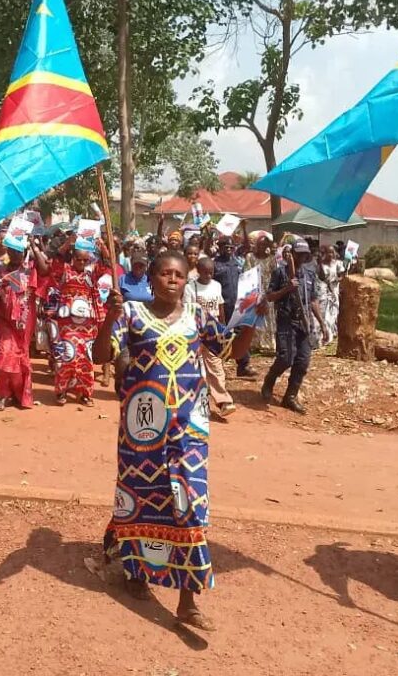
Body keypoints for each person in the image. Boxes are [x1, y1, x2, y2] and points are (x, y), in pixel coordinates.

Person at [92, 249, 261, 632]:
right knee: (141, 497)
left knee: (190, 505)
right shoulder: (132, 314)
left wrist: (254, 319)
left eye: (179, 276)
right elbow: (99, 354)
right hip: (141, 431)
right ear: (151, 278)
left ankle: (188, 600)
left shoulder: (198, 316)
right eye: (165, 274)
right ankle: (135, 568)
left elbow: (230, 350)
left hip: (188, 432)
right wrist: (110, 318)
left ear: (187, 282)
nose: (172, 280)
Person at [34, 234, 111, 406]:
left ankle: (85, 393)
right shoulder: (65, 271)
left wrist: (103, 246)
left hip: (87, 324)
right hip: (68, 323)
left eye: (85, 260)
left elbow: (106, 264)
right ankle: (61, 391)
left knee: (86, 358)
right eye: (79, 259)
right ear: (73, 258)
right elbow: (57, 260)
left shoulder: (91, 274)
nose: (82, 263)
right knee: (67, 356)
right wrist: (68, 242)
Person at [260, 240, 326, 413]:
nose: (302, 257)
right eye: (299, 254)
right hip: (286, 321)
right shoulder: (280, 272)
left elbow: (313, 300)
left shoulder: (309, 274)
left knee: (302, 362)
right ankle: (269, 380)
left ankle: (290, 397)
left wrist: (322, 324)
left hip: (304, 323)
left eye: (305, 254)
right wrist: (287, 289)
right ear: (292, 254)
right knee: (285, 358)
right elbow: (270, 297)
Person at [0, 234, 39, 411]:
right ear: (8, 251)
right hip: (4, 320)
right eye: (13, 250)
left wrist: (35, 246)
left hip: (24, 321)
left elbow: (38, 282)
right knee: (5, 354)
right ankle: (2, 395)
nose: (16, 254)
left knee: (21, 358)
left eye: (19, 251)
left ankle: (19, 394)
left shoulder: (29, 272)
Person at [184, 256, 236, 418]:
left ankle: (224, 401)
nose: (208, 275)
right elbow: (188, 311)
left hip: (214, 333)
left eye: (211, 272)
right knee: (195, 368)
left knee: (216, 366)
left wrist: (224, 329)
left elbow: (220, 307)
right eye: (205, 272)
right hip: (196, 331)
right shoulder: (190, 288)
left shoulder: (216, 286)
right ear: (198, 271)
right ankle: (194, 401)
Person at [208, 231, 256, 378]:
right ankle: (219, 366)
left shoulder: (238, 263)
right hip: (223, 306)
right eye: (225, 247)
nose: (228, 249)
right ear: (219, 247)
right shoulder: (214, 264)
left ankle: (243, 365)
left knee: (241, 333)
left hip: (238, 305)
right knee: (223, 335)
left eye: (230, 247)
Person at [315, 244, 345, 344]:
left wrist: (336, 279)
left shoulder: (338, 264)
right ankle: (324, 335)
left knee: (333, 313)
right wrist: (319, 263)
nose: (331, 254)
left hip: (334, 291)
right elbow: (321, 277)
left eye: (332, 252)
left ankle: (331, 333)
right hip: (323, 292)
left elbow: (342, 276)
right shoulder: (321, 265)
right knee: (324, 313)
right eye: (329, 252)